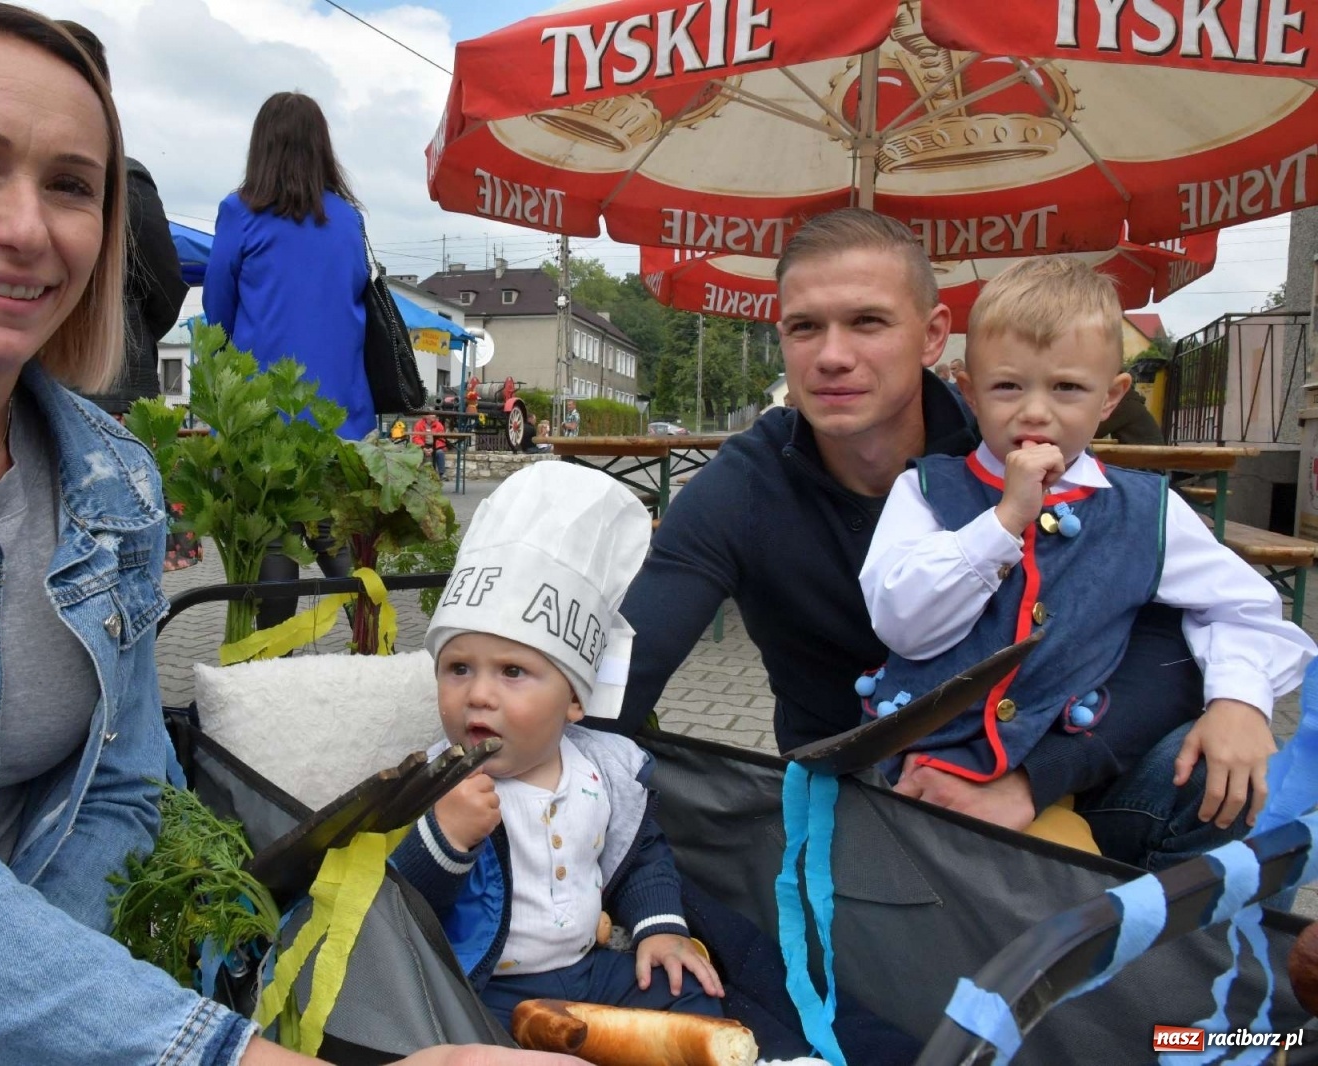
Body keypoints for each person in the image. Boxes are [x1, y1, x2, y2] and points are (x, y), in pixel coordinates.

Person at [0, 6, 584, 1066]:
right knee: (320, 568)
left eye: (70, 186)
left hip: (69, 1014)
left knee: (287, 579)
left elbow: (121, 794)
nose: (27, 226)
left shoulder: (115, 475)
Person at [613, 208, 1247, 870]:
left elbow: (1166, 643)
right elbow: (628, 667)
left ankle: (1191, 940)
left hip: (1053, 774)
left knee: (1230, 776)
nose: (832, 356)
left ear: (933, 335)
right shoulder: (745, 485)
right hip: (860, 800)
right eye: (805, 327)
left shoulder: (1010, 440)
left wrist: (1032, 782)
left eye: (868, 321)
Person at [858, 257, 1313, 828]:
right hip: (917, 758)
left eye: (1068, 388)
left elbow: (1244, 608)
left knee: (1241, 786)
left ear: (1111, 398)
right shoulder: (925, 489)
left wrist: (1239, 700)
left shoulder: (1145, 509)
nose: (1035, 411)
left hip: (1066, 763)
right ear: (970, 393)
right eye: (1007, 386)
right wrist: (1003, 521)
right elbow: (901, 622)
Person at [392, 463, 724, 1032]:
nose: (479, 694)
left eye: (512, 671)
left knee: (685, 989)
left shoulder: (603, 771)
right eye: (459, 668)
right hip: (485, 989)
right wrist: (444, 837)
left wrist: (661, 928)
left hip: (589, 970)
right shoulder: (436, 783)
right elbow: (400, 906)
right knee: (460, 1036)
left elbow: (640, 855)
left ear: (573, 699)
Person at [203, 92, 367, 628]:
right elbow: (353, 298)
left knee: (272, 551)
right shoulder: (348, 220)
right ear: (322, 147)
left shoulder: (239, 212)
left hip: (263, 416)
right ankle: (375, 651)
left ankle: (276, 663)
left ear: (261, 145)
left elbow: (217, 312)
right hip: (341, 415)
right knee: (343, 552)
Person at [58, 21, 187, 418]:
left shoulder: (3, 182)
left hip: (32, 388)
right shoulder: (125, 179)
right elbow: (166, 286)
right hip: (118, 387)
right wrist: (128, 326)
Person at [1096, 382, 1165, 444]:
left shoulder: (1125, 405)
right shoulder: (1130, 403)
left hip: (1147, 453)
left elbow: (1095, 431)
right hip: (1143, 451)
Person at [414, 409, 448, 478]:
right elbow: (416, 438)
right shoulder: (418, 424)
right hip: (422, 446)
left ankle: (442, 474)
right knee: (417, 453)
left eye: (434, 414)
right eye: (432, 414)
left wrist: (433, 448)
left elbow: (441, 439)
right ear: (426, 416)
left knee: (440, 453)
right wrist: (423, 448)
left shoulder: (439, 425)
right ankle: (416, 475)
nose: (434, 416)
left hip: (435, 446)